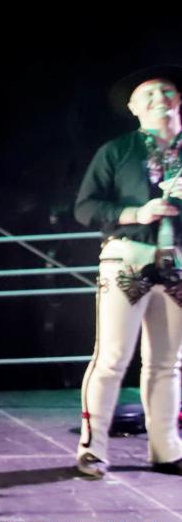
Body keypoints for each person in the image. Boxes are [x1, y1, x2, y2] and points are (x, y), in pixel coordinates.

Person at [74, 65, 182, 478]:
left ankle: (167, 450)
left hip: (177, 264)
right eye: (148, 95)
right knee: (113, 356)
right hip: (129, 259)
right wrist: (138, 212)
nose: (159, 99)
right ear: (134, 107)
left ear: (179, 99)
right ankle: (92, 449)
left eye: (166, 91)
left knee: (167, 362)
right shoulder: (118, 151)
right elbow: (86, 208)